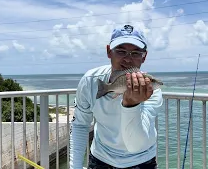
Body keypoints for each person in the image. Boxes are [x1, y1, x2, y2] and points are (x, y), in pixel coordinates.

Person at [69, 24, 163, 169]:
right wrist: (74, 166)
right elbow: (80, 124)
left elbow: (135, 145)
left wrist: (131, 105)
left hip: (142, 160)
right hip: (100, 159)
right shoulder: (90, 80)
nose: (127, 59)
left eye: (136, 53)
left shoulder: (151, 89)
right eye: (121, 51)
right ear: (109, 52)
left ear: (144, 57)